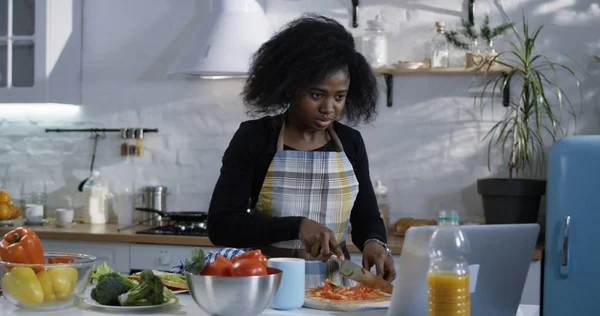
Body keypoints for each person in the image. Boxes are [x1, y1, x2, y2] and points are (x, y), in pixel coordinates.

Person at [207, 14, 395, 288]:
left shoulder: (350, 142)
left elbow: (366, 217)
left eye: (339, 96)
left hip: (339, 287)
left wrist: (375, 242)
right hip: (267, 284)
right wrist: (296, 226)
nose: (329, 108)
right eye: (316, 95)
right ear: (290, 87)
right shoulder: (255, 138)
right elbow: (221, 225)